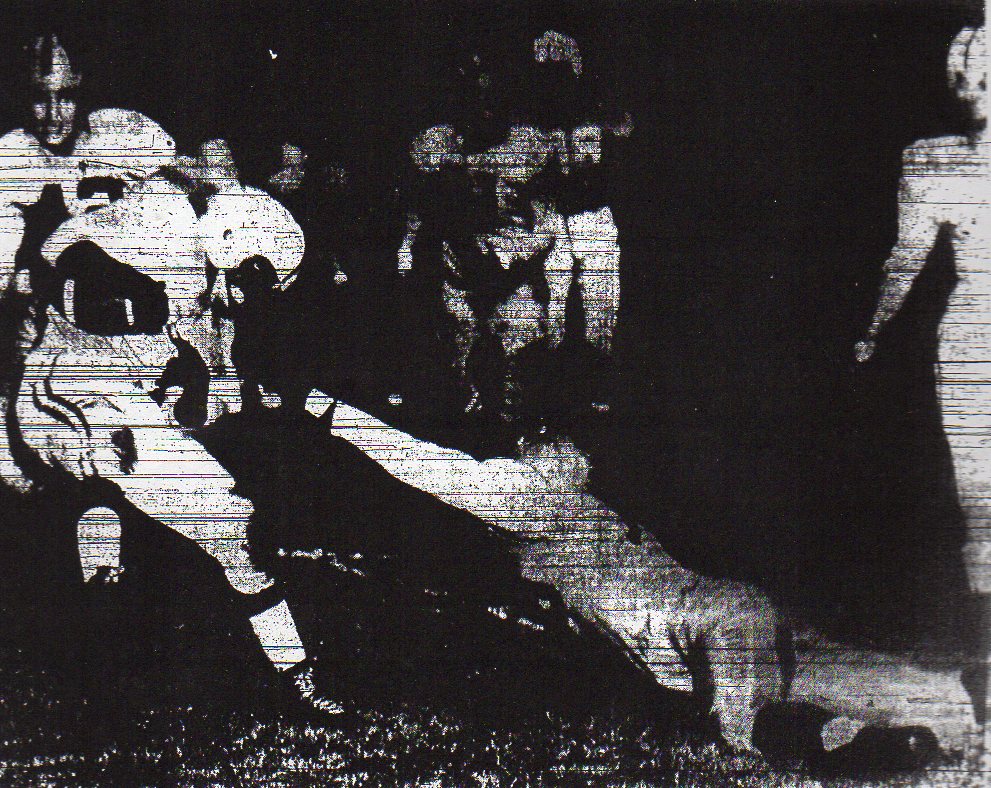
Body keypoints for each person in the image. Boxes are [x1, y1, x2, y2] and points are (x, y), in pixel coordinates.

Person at [0, 36, 327, 710]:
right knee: (192, 505)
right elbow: (55, 263)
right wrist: (107, 295)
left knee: (231, 513)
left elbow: (203, 184)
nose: (55, 111)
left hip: (134, 377)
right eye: (40, 95)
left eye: (66, 93)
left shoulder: (149, 159)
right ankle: (106, 622)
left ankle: (294, 670)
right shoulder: (154, 229)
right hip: (69, 373)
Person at [856, 25, 989, 769]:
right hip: (973, 341)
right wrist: (873, 327)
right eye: (965, 77)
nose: (973, 91)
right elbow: (906, 257)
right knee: (982, 514)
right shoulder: (932, 162)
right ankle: (986, 706)